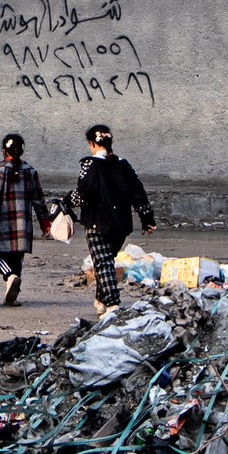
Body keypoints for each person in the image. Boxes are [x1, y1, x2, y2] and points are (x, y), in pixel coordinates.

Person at [73, 122, 154, 313]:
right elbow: (138, 192)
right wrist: (147, 219)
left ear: (92, 143)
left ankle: (112, 303)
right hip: (120, 225)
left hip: (97, 223)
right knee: (106, 262)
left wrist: (66, 202)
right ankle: (101, 300)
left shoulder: (90, 164)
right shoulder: (123, 165)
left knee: (103, 263)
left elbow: (84, 191)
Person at [0, 133, 45, 307]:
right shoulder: (30, 170)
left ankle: (9, 277)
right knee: (17, 258)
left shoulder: (0, 170)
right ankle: (13, 293)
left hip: (2, 224)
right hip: (23, 226)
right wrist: (45, 223)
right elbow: (38, 200)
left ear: (3, 151)